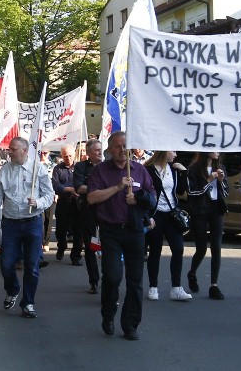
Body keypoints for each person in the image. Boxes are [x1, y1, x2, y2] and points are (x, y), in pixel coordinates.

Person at [87, 131, 155, 340]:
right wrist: (117, 187)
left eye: (126, 145)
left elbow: (152, 198)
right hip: (111, 231)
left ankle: (130, 324)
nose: (122, 150)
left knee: (135, 281)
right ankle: (108, 314)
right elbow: (91, 198)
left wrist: (139, 197)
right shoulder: (100, 172)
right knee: (113, 276)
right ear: (109, 150)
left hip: (135, 230)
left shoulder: (140, 170)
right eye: (118, 146)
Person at [0, 137, 54, 318]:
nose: (9, 152)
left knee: (32, 265)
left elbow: (49, 194)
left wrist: (37, 202)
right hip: (11, 223)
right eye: (9, 149)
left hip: (32, 222)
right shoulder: (4, 171)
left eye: (13, 149)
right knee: (6, 263)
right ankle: (13, 289)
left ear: (24, 151)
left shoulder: (38, 169)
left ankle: (28, 302)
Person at [145, 150, 191, 301]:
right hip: (156, 213)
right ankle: (153, 287)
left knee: (178, 248)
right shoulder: (149, 170)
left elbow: (180, 190)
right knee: (155, 250)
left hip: (171, 213)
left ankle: (176, 288)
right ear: (165, 152)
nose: (176, 154)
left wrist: (184, 172)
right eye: (173, 151)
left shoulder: (173, 169)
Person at [185, 152, 228, 300]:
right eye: (214, 148)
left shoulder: (220, 167)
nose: (217, 151)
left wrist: (221, 181)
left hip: (216, 209)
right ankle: (192, 273)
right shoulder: (194, 169)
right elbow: (192, 192)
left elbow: (226, 192)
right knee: (202, 248)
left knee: (216, 247)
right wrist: (209, 180)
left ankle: (214, 285)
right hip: (200, 210)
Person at [73, 138, 104, 294]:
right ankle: (94, 280)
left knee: (108, 244)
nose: (100, 152)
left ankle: (108, 278)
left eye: (101, 149)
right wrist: (101, 190)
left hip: (106, 211)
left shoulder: (107, 167)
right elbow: (79, 188)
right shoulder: (81, 167)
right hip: (89, 211)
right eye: (97, 150)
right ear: (89, 152)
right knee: (91, 245)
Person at [52, 144, 82, 266]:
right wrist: (69, 189)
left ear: (74, 154)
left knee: (78, 231)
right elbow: (55, 186)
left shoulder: (79, 167)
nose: (68, 158)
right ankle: (61, 246)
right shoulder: (58, 169)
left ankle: (76, 256)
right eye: (65, 156)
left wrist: (79, 191)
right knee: (60, 230)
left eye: (70, 155)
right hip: (64, 203)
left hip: (77, 204)